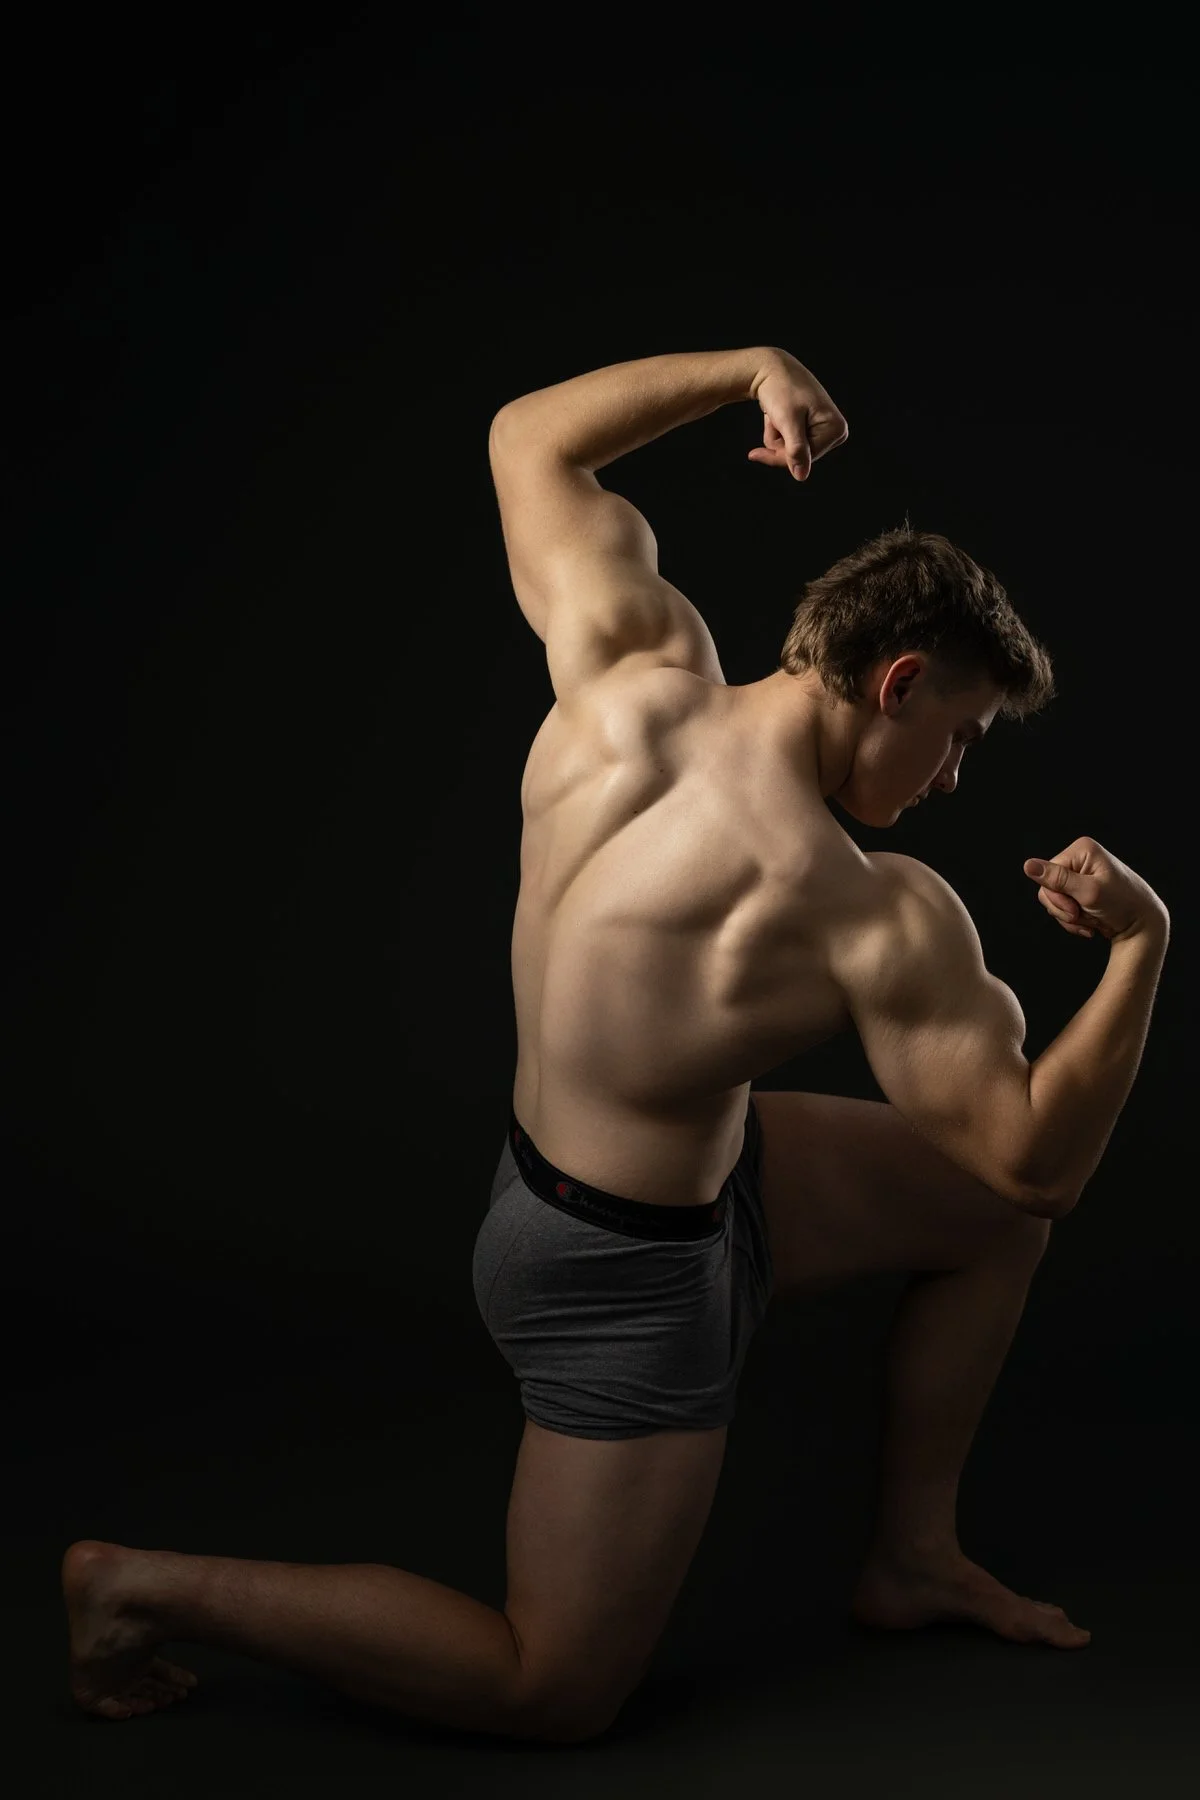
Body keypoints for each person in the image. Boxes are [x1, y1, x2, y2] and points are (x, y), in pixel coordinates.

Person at [63, 345, 1170, 1745]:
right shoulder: (870, 912)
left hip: (628, 1181)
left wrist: (752, 366)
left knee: (984, 1225)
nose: (954, 777)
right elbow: (1040, 1162)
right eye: (961, 738)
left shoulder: (630, 669)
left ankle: (913, 1557)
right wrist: (1141, 946)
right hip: (617, 1277)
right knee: (553, 1689)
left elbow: (526, 438)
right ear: (896, 682)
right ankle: (138, 1588)